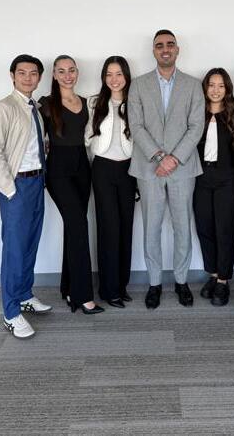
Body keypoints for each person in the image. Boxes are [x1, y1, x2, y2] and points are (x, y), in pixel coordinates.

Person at [128, 29, 205, 309]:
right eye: (159, 45)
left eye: (170, 44)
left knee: (183, 227)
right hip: (149, 168)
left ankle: (182, 281)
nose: (165, 49)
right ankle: (155, 283)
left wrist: (174, 158)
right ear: (153, 51)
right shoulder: (138, 85)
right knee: (151, 228)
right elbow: (136, 125)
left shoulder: (193, 85)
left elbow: (196, 126)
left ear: (177, 49)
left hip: (182, 169)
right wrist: (160, 157)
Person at [0, 54, 52, 339]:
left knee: (30, 242)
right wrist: (10, 189)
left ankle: (24, 295)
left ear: (39, 77)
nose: (28, 78)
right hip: (16, 186)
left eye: (33, 73)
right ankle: (11, 312)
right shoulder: (3, 107)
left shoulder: (35, 108)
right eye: (22, 73)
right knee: (14, 248)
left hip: (37, 181)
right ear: (12, 76)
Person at [39, 55, 104, 315]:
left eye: (72, 70)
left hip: (82, 169)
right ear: (54, 75)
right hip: (58, 171)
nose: (68, 75)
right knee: (78, 225)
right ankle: (83, 296)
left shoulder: (87, 102)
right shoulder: (46, 104)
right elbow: (33, 136)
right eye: (62, 71)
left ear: (77, 72)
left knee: (73, 227)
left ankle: (68, 288)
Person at [85, 56, 136, 309]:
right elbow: (86, 137)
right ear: (104, 77)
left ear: (126, 75)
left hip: (129, 170)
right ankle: (108, 289)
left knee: (126, 227)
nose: (114, 79)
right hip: (103, 168)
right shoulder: (94, 102)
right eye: (109, 74)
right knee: (108, 228)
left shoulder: (136, 102)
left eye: (118, 74)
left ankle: (121, 285)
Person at [193, 68, 234, 307]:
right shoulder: (196, 113)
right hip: (201, 177)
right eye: (211, 85)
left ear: (227, 89)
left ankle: (223, 280)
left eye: (221, 85)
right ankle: (212, 273)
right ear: (205, 88)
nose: (216, 90)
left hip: (226, 179)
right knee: (205, 228)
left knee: (224, 230)